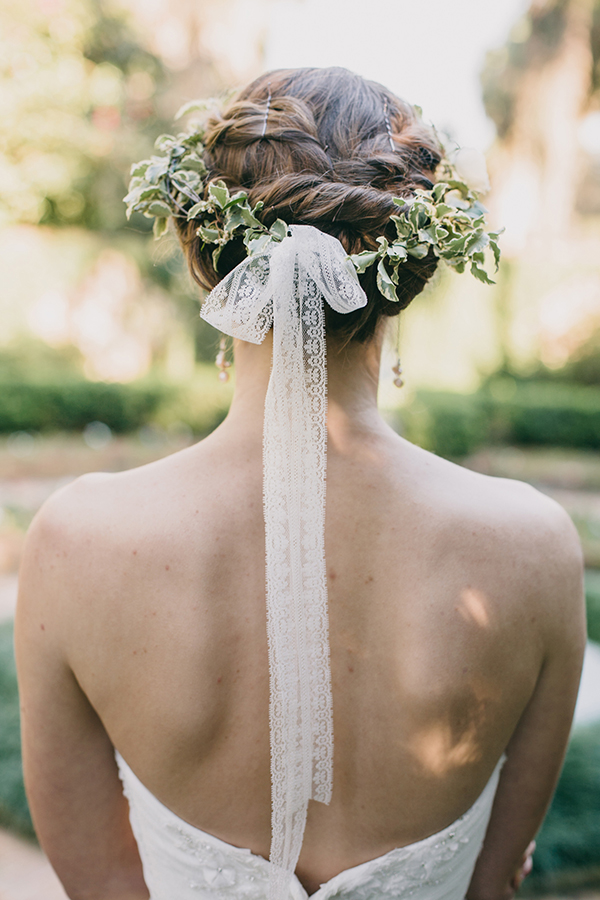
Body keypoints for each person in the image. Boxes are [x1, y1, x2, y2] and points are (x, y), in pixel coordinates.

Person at [15, 67, 585, 900]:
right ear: (406, 273)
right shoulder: (535, 549)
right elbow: (493, 882)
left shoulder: (73, 543)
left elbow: (97, 883)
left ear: (211, 263)